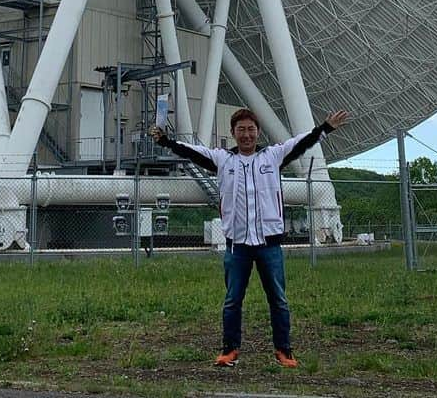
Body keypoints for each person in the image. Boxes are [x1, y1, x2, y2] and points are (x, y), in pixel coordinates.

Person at [149, 106, 350, 368]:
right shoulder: (223, 160)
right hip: (237, 246)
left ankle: (284, 351)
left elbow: (300, 143)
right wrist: (165, 141)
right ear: (233, 133)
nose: (246, 134)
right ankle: (229, 350)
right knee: (233, 300)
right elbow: (192, 152)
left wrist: (324, 129)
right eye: (241, 130)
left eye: (251, 130)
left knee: (278, 299)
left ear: (257, 132)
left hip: (269, 243)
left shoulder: (273, 156)